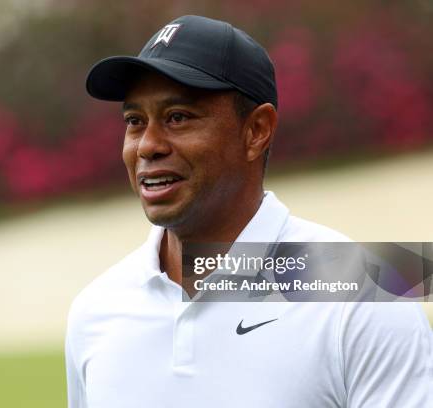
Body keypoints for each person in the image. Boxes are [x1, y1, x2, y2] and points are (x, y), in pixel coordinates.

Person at [66, 15, 432, 407]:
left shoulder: (369, 290)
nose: (147, 146)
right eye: (135, 122)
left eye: (178, 117)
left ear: (257, 130)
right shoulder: (95, 310)